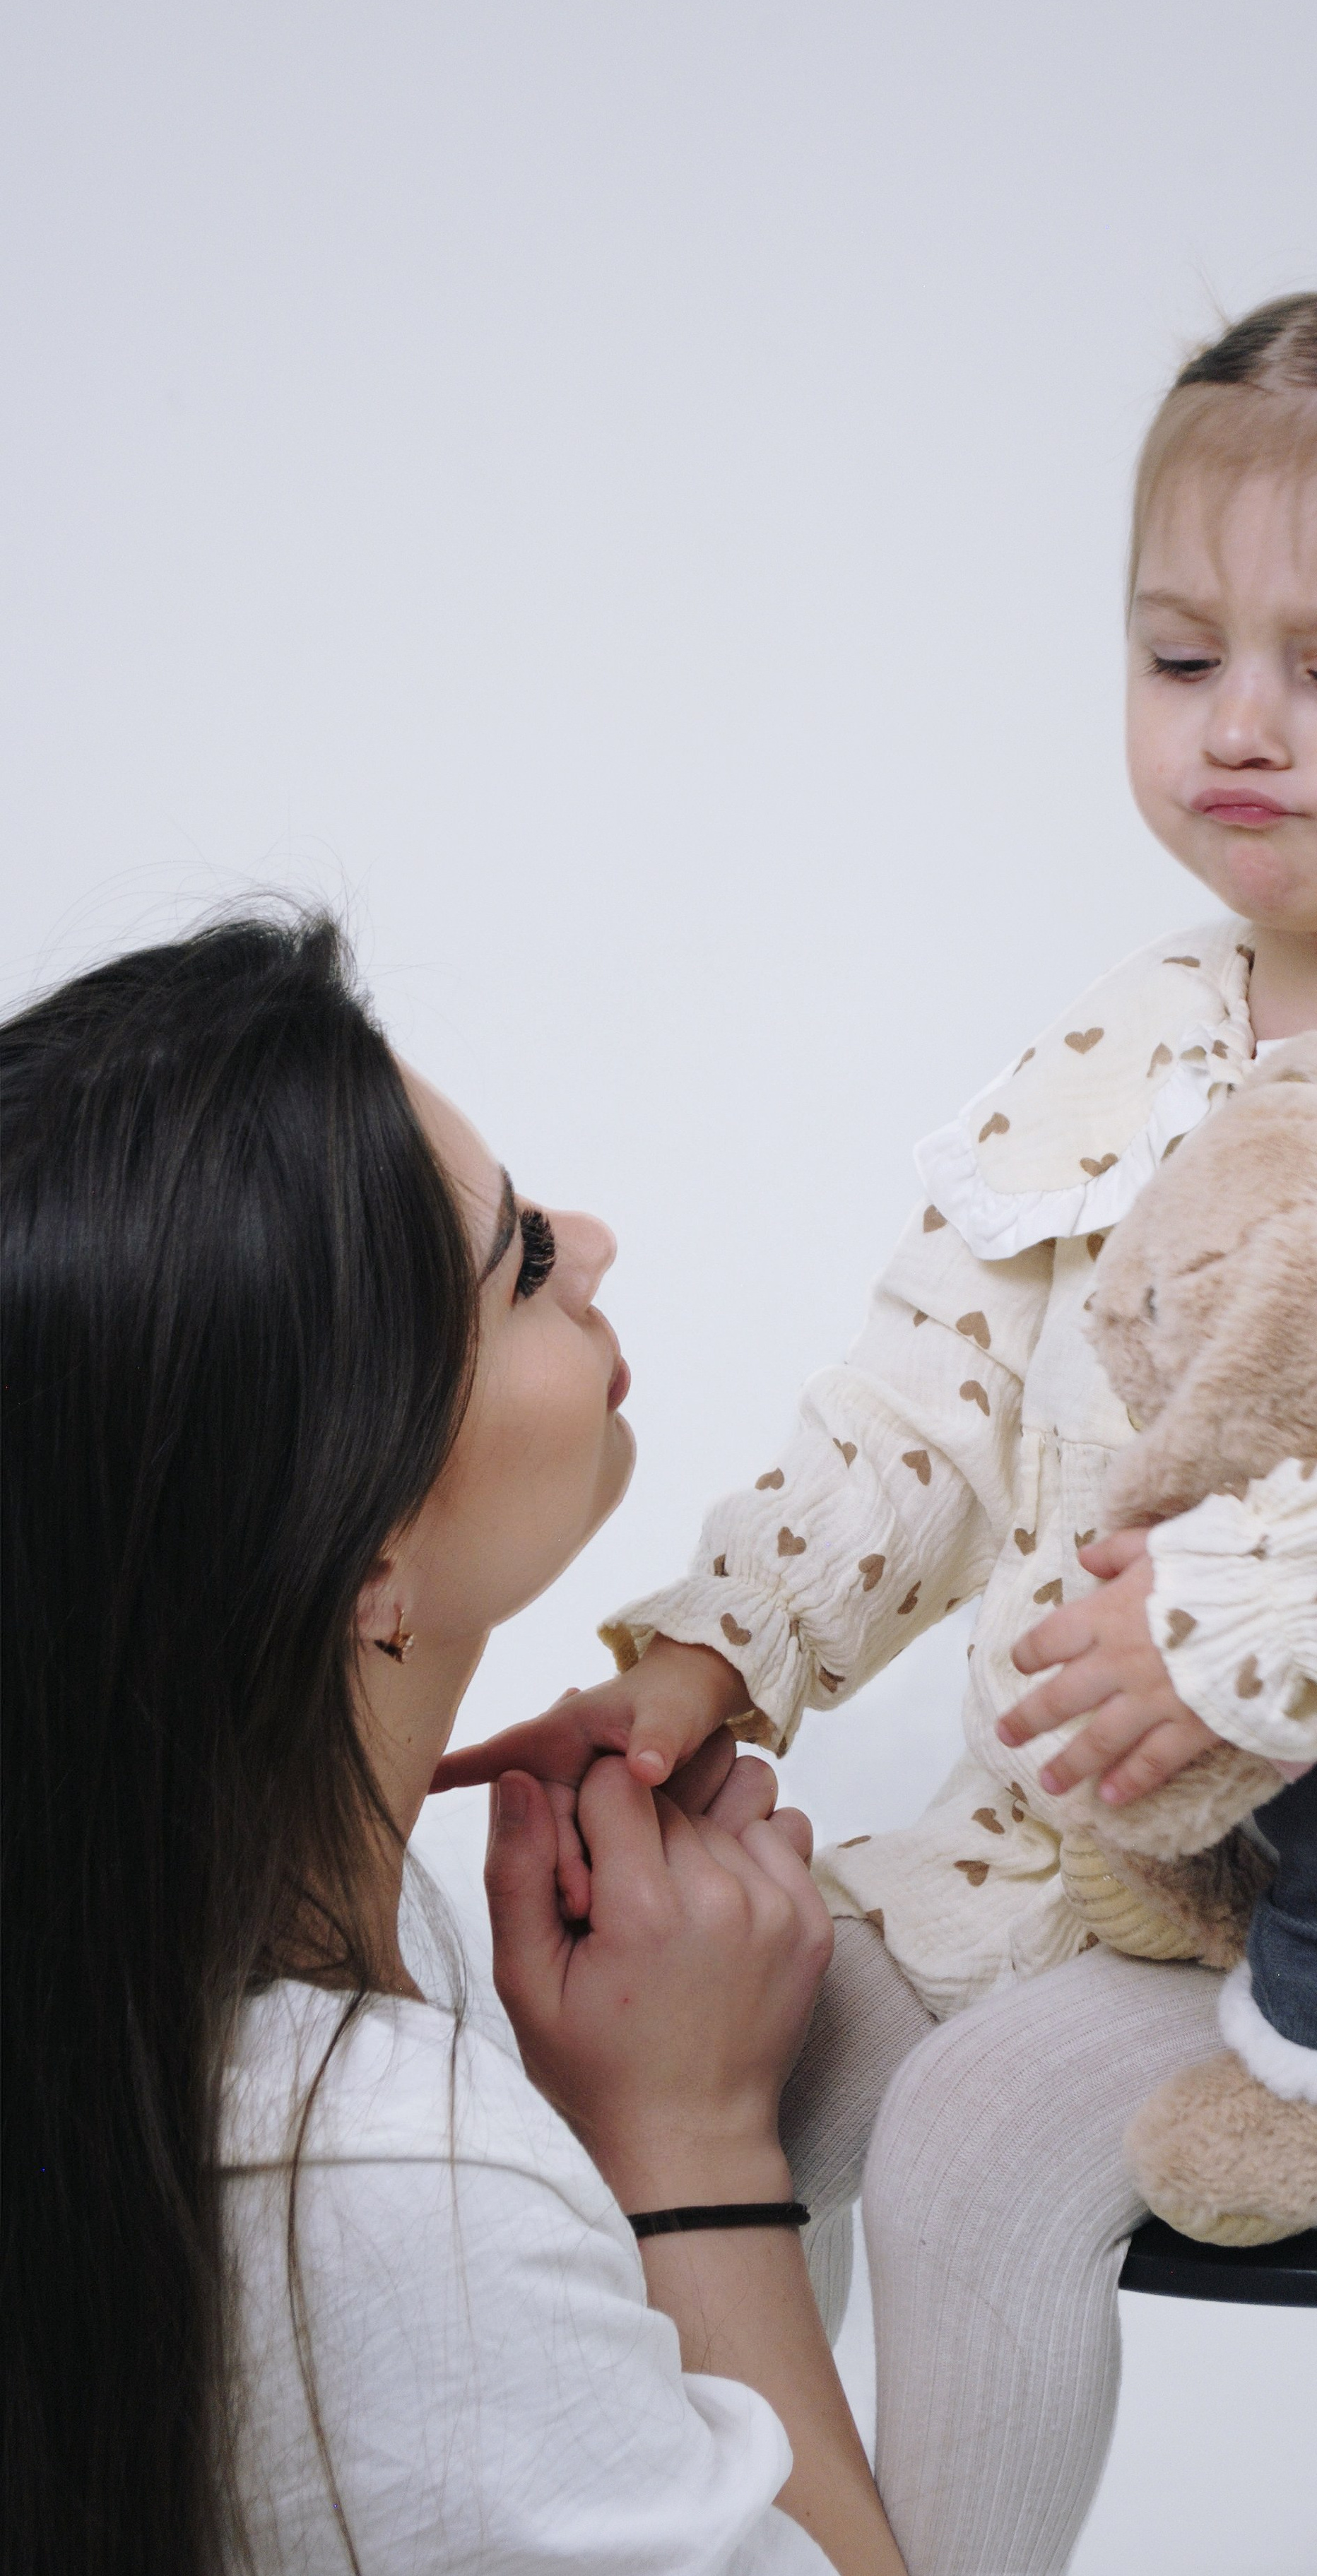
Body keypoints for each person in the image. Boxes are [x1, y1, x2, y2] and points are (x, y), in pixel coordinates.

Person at [439, 229, 1317, 2573]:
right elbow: (925, 1396)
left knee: (980, 2151)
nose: (1239, 726)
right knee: (753, 2043)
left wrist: (1252, 1615)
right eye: (1179, 656)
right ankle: (746, 2552)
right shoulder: (1131, 1035)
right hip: (1100, 1847)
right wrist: (717, 1653)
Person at [1, 914, 907, 2576]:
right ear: (362, 1558)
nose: (597, 1244)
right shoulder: (376, 2187)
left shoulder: (205, 1990)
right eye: (525, 1265)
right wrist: (690, 2147)